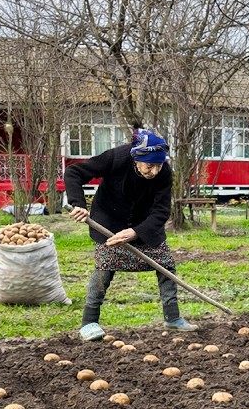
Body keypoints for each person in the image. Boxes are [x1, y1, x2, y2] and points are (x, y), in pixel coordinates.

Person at [64, 128, 197, 341]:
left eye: (159, 165)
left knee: (165, 265)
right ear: (136, 159)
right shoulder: (116, 158)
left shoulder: (164, 173)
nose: (154, 171)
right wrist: (78, 204)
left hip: (143, 224)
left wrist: (136, 232)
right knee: (104, 268)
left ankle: (172, 318)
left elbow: (162, 210)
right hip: (108, 220)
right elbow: (74, 173)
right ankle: (89, 323)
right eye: (149, 166)